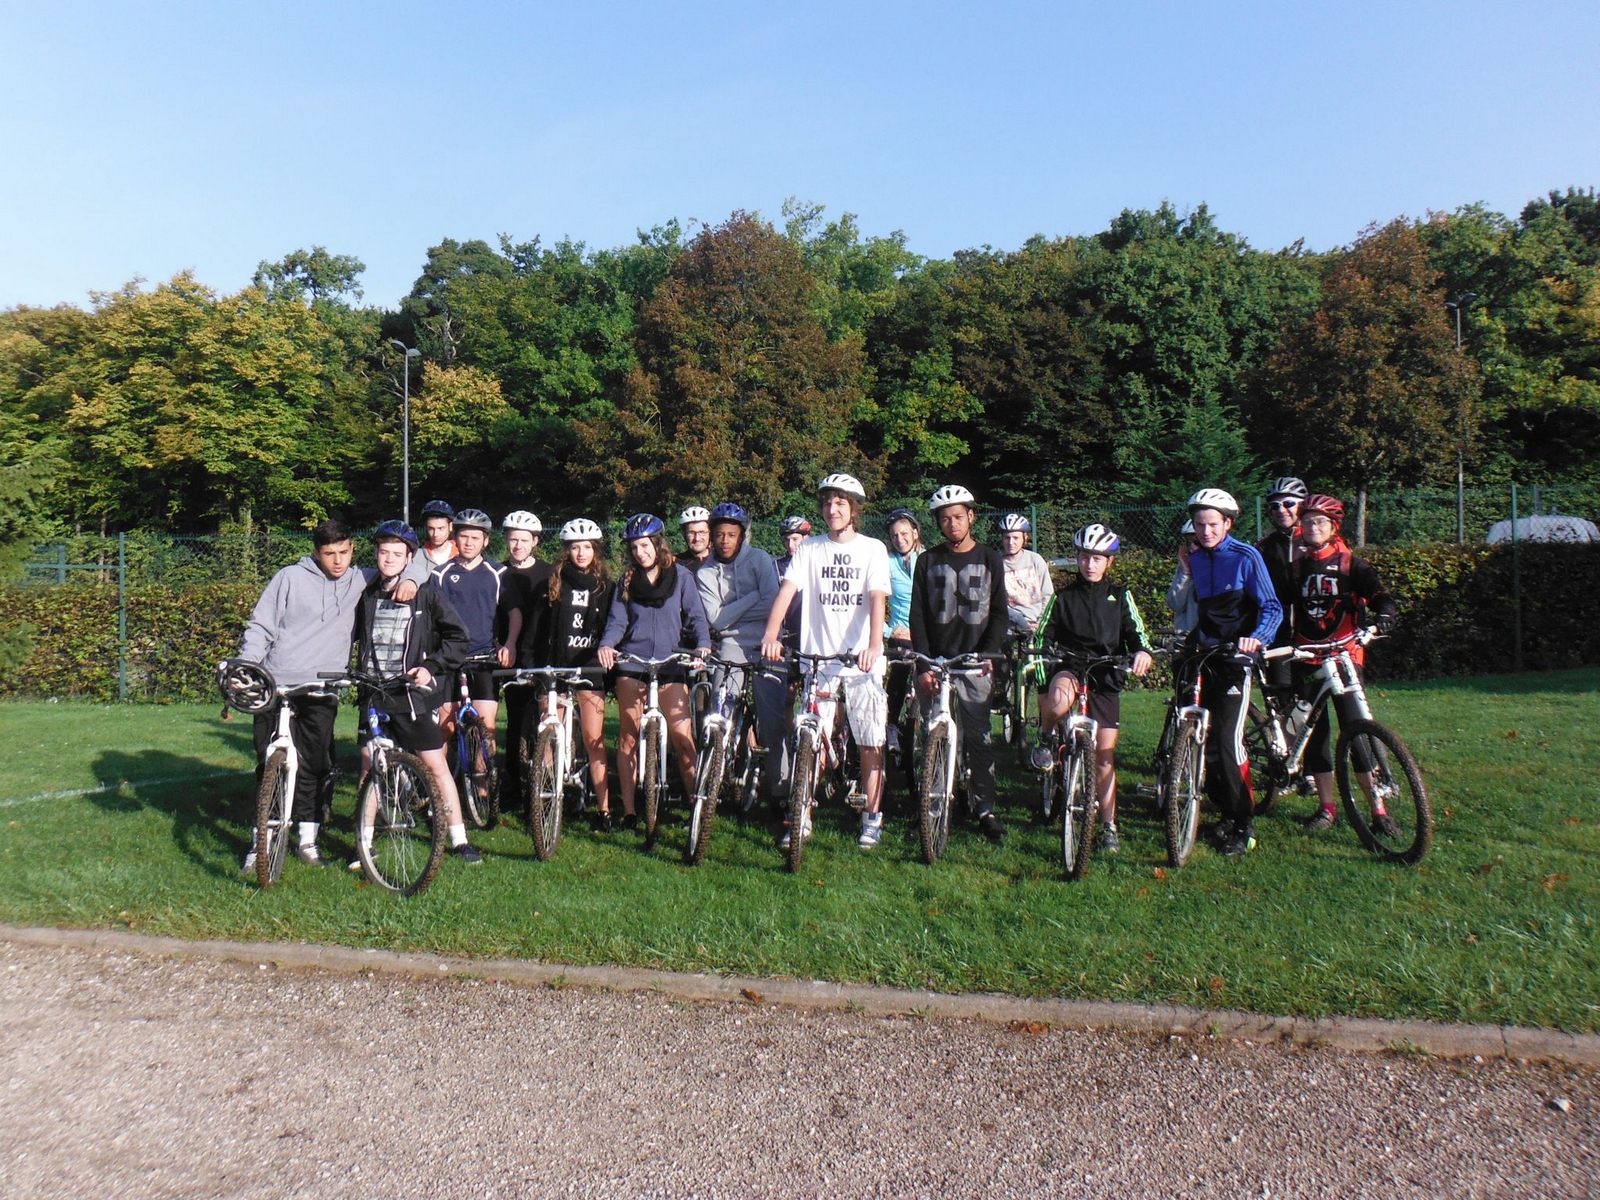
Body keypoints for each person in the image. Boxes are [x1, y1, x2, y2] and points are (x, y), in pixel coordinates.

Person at [235, 518, 428, 871]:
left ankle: (307, 839)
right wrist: (249, 665)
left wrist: (412, 579)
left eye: (343, 552)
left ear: (352, 549)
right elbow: (261, 625)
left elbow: (412, 563)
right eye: (329, 554)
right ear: (316, 553)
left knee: (314, 765)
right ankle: (260, 841)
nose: (338, 561)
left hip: (323, 688)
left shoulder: (360, 579)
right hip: (277, 682)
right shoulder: (289, 578)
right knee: (268, 765)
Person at [760, 473, 891, 850]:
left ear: (854, 510)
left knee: (870, 742)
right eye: (828, 503)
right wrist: (771, 634)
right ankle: (801, 817)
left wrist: (873, 646)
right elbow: (787, 592)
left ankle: (872, 817)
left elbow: (877, 599)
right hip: (818, 659)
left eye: (840, 503)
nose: (832, 510)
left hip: (860, 660)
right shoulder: (810, 549)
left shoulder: (872, 549)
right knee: (810, 741)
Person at [350, 520, 481, 866]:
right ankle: (363, 843)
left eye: (397, 554)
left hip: (411, 696)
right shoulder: (365, 592)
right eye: (383, 552)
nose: (389, 559)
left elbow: (458, 637)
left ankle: (459, 839)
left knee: (435, 765)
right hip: (374, 692)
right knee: (369, 766)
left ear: (410, 558)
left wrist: (431, 667)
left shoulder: (426, 591)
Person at [1032, 524, 1154, 853]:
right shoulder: (1063, 597)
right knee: (1058, 702)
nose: (1090, 564)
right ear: (1077, 558)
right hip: (1071, 666)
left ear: (1108, 562)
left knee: (1104, 756)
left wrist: (1142, 652)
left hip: (1106, 674)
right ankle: (1046, 736)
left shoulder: (1120, 595)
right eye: (1084, 557)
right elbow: (1042, 638)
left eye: (1097, 558)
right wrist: (1043, 682)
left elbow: (1137, 633)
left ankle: (1108, 825)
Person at [597, 513, 712, 841]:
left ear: (658, 544)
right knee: (628, 737)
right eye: (634, 547)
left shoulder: (681, 576)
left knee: (682, 737)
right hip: (633, 663)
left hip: (670, 663)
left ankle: (696, 805)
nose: (640, 552)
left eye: (645, 545)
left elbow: (695, 616)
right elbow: (617, 621)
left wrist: (702, 644)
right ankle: (630, 811)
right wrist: (607, 644)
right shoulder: (627, 580)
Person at [1290, 494, 1401, 834]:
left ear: (1334, 526)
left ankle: (1378, 810)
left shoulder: (1352, 564)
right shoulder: (1295, 568)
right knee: (1315, 735)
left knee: (1358, 732)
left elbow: (1380, 596)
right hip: (1307, 657)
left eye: (1320, 522)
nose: (1312, 527)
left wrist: (1385, 615)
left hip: (1344, 658)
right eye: (1307, 521)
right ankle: (1327, 808)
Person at [1182, 487, 1282, 857]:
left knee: (1227, 739)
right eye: (1200, 525)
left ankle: (1244, 824)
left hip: (1236, 660)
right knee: (1202, 736)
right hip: (1206, 655)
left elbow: (1271, 607)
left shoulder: (1246, 556)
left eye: (1213, 524)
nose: (1206, 531)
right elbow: (1208, 614)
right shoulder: (1198, 559)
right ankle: (1223, 810)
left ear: (1228, 524)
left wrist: (1256, 638)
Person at [909, 484, 1010, 844]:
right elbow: (917, 614)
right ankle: (931, 806)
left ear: (971, 517)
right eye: (944, 519)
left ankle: (985, 809)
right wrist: (923, 664)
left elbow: (999, 612)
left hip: (975, 662)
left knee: (979, 738)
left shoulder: (989, 558)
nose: (952, 524)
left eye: (958, 516)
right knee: (932, 735)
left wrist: (989, 653)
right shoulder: (928, 560)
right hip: (937, 661)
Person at [696, 502, 787, 804]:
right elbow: (716, 619)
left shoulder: (759, 559)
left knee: (773, 721)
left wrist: (733, 611)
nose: (725, 541)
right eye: (719, 534)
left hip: (766, 643)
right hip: (730, 645)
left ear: (741, 536)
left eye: (731, 535)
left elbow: (772, 604)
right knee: (718, 713)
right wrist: (753, 597)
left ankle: (780, 790)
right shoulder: (705, 572)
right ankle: (714, 780)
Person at [542, 518, 616, 830]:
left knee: (593, 738)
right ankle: (544, 798)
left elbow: (614, 627)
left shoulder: (607, 587)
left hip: (590, 667)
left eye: (587, 547)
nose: (581, 553)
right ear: (567, 551)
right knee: (548, 735)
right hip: (557, 665)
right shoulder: (555, 582)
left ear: (595, 550)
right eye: (575, 547)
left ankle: (604, 808)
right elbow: (540, 626)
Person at [432, 509, 508, 802]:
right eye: (464, 536)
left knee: (486, 728)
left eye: (475, 538)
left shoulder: (497, 574)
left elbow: (510, 613)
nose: (469, 542)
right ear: (455, 538)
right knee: (445, 728)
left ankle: (483, 790)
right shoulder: (440, 575)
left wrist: (507, 645)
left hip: (483, 659)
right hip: (450, 660)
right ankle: (438, 793)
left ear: (485, 541)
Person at [498, 510, 552, 804]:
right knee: (516, 720)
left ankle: (547, 782)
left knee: (546, 720)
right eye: (512, 539)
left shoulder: (549, 573)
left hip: (545, 654)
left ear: (535, 541)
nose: (517, 545)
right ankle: (513, 784)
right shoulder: (499, 572)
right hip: (512, 655)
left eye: (523, 539)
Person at [1257, 477, 1308, 702]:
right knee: (1283, 704)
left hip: (1313, 636)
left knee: (1312, 706)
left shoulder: (1318, 542)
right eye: (1275, 506)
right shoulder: (1263, 549)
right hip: (1278, 637)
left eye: (1288, 504)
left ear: (1302, 505)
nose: (1281, 510)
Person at [883, 508, 922, 760]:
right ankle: (892, 725)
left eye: (905, 533)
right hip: (899, 633)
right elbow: (872, 601)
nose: (900, 539)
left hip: (926, 632)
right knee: (898, 677)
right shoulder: (886, 562)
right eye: (894, 535)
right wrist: (888, 629)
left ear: (915, 533)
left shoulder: (928, 559)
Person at [999, 513, 1054, 635]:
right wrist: (1020, 621)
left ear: (1025, 538)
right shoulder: (997, 563)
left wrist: (1041, 621)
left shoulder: (1035, 560)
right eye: (1007, 538)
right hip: (1010, 623)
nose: (1011, 542)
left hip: (1038, 622)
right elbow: (997, 601)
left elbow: (1048, 594)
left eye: (1016, 538)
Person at [1165, 519, 1200, 637]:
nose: (1192, 547)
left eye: (1196, 542)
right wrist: (1186, 574)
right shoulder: (1184, 568)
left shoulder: (1221, 566)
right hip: (1186, 638)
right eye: (1188, 542)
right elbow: (1175, 604)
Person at [418, 499, 458, 572]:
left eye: (441, 528)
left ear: (450, 526)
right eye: (431, 529)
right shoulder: (417, 557)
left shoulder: (462, 554)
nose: (435, 534)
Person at [679, 506, 712, 572]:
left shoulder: (721, 561)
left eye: (702, 532)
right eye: (691, 533)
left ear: (710, 534)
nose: (697, 538)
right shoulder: (675, 563)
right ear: (684, 535)